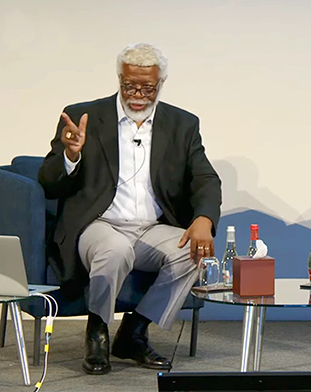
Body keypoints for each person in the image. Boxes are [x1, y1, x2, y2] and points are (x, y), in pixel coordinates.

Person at [38, 43, 222, 375]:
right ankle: (97, 331)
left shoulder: (182, 124)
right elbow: (49, 183)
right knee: (116, 249)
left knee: (192, 252)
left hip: (151, 228)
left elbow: (205, 178)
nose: (137, 94)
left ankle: (133, 332)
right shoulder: (85, 116)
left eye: (147, 88)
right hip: (98, 224)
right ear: (119, 79)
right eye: (128, 86)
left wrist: (204, 219)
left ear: (161, 83)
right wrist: (71, 156)